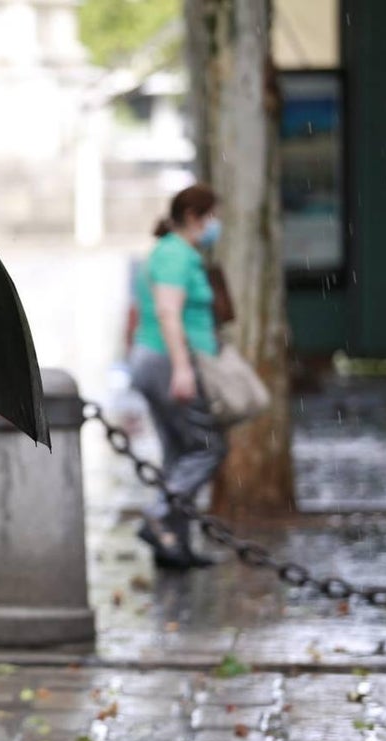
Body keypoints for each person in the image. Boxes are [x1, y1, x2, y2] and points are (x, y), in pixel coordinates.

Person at [128, 183, 227, 570]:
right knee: (207, 448)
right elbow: (168, 313)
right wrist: (183, 368)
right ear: (193, 217)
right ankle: (157, 514)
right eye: (212, 216)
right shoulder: (175, 254)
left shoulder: (171, 252)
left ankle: (172, 547)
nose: (216, 224)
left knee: (178, 454)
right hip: (167, 362)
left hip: (156, 360)